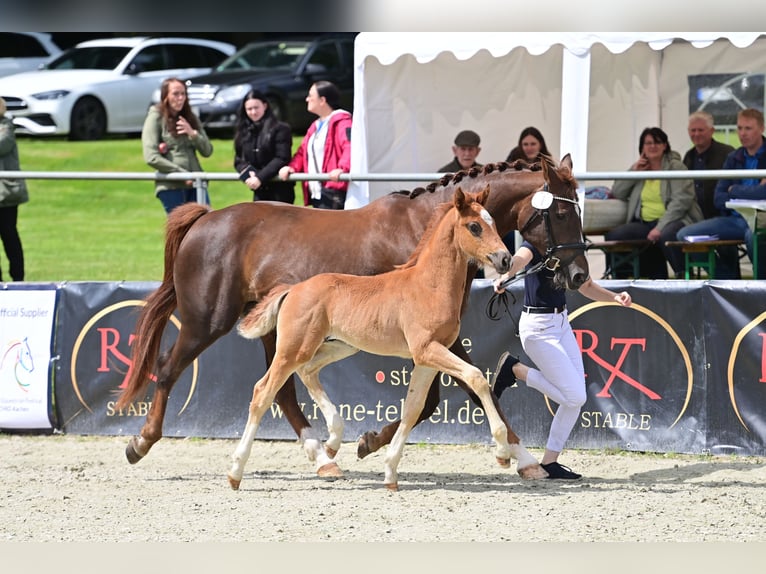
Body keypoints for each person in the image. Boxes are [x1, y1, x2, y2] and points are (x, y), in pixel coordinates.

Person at [491, 241, 632, 479]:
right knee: (576, 396)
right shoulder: (534, 244)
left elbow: (586, 286)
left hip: (562, 325)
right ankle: (516, 370)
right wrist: (506, 275)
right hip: (537, 329)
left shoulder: (568, 246)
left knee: (573, 401)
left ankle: (550, 462)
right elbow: (520, 260)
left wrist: (615, 297)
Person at [677, 108, 766, 279]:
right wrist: (754, 192)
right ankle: (726, 282)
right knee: (684, 235)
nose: (742, 133)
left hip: (761, 219)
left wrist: (735, 190)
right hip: (734, 220)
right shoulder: (734, 157)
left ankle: (761, 287)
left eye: (748, 128)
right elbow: (719, 197)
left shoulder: (728, 154)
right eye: (739, 128)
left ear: (761, 128)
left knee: (753, 235)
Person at [605, 127, 702, 279]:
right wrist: (634, 172)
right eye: (648, 143)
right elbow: (618, 192)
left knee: (667, 234)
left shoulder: (676, 167)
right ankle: (621, 280)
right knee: (614, 235)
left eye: (657, 142)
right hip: (645, 222)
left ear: (665, 145)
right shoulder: (640, 169)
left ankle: (683, 276)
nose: (652, 146)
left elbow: (681, 202)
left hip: (675, 220)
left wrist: (659, 228)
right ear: (642, 147)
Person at [142, 77, 213, 215]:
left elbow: (207, 151)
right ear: (165, 96)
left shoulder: (190, 117)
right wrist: (182, 174)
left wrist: (193, 134)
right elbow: (151, 157)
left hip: (196, 184)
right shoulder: (155, 117)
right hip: (172, 186)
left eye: (183, 94)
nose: (180, 98)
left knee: (207, 229)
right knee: (182, 233)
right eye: (175, 94)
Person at [278, 81, 352, 209]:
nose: (307, 99)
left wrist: (342, 168)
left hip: (334, 191)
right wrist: (292, 167)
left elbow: (350, 146)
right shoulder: (315, 126)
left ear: (322, 100)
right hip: (318, 192)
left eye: (311, 96)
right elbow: (302, 152)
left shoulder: (342, 122)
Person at [233, 90, 295, 203]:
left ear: (265, 106)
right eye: (249, 109)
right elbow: (238, 160)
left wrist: (260, 177)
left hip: (279, 190)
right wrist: (248, 173)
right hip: (259, 190)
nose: (253, 112)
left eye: (256, 107)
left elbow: (282, 157)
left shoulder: (280, 129)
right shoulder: (244, 132)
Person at [683, 111, 736, 219]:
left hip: (721, 215)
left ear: (712, 131)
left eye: (701, 130)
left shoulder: (727, 153)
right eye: (693, 130)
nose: (696, 134)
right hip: (693, 216)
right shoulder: (688, 156)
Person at [0, 97, 27, 282]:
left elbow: (2, 145)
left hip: (6, 194)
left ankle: (18, 279)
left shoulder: (6, 127)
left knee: (9, 236)